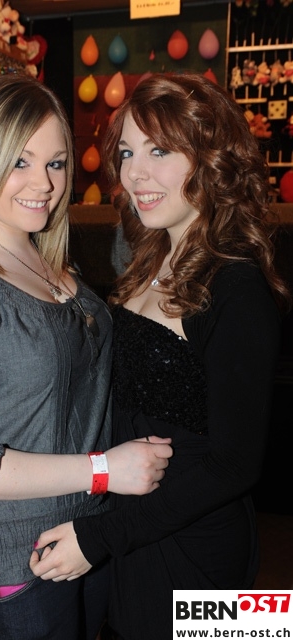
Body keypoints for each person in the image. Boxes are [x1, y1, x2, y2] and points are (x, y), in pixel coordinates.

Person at [0, 74, 173, 640]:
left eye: (56, 163)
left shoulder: (57, 266)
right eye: (19, 161)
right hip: (16, 559)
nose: (43, 183)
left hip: (88, 535)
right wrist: (104, 469)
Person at [29, 72, 292, 639]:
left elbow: (235, 465)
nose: (134, 173)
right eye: (127, 152)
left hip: (194, 549)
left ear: (212, 161)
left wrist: (97, 539)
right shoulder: (151, 258)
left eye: (160, 151)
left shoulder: (237, 286)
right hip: (137, 530)